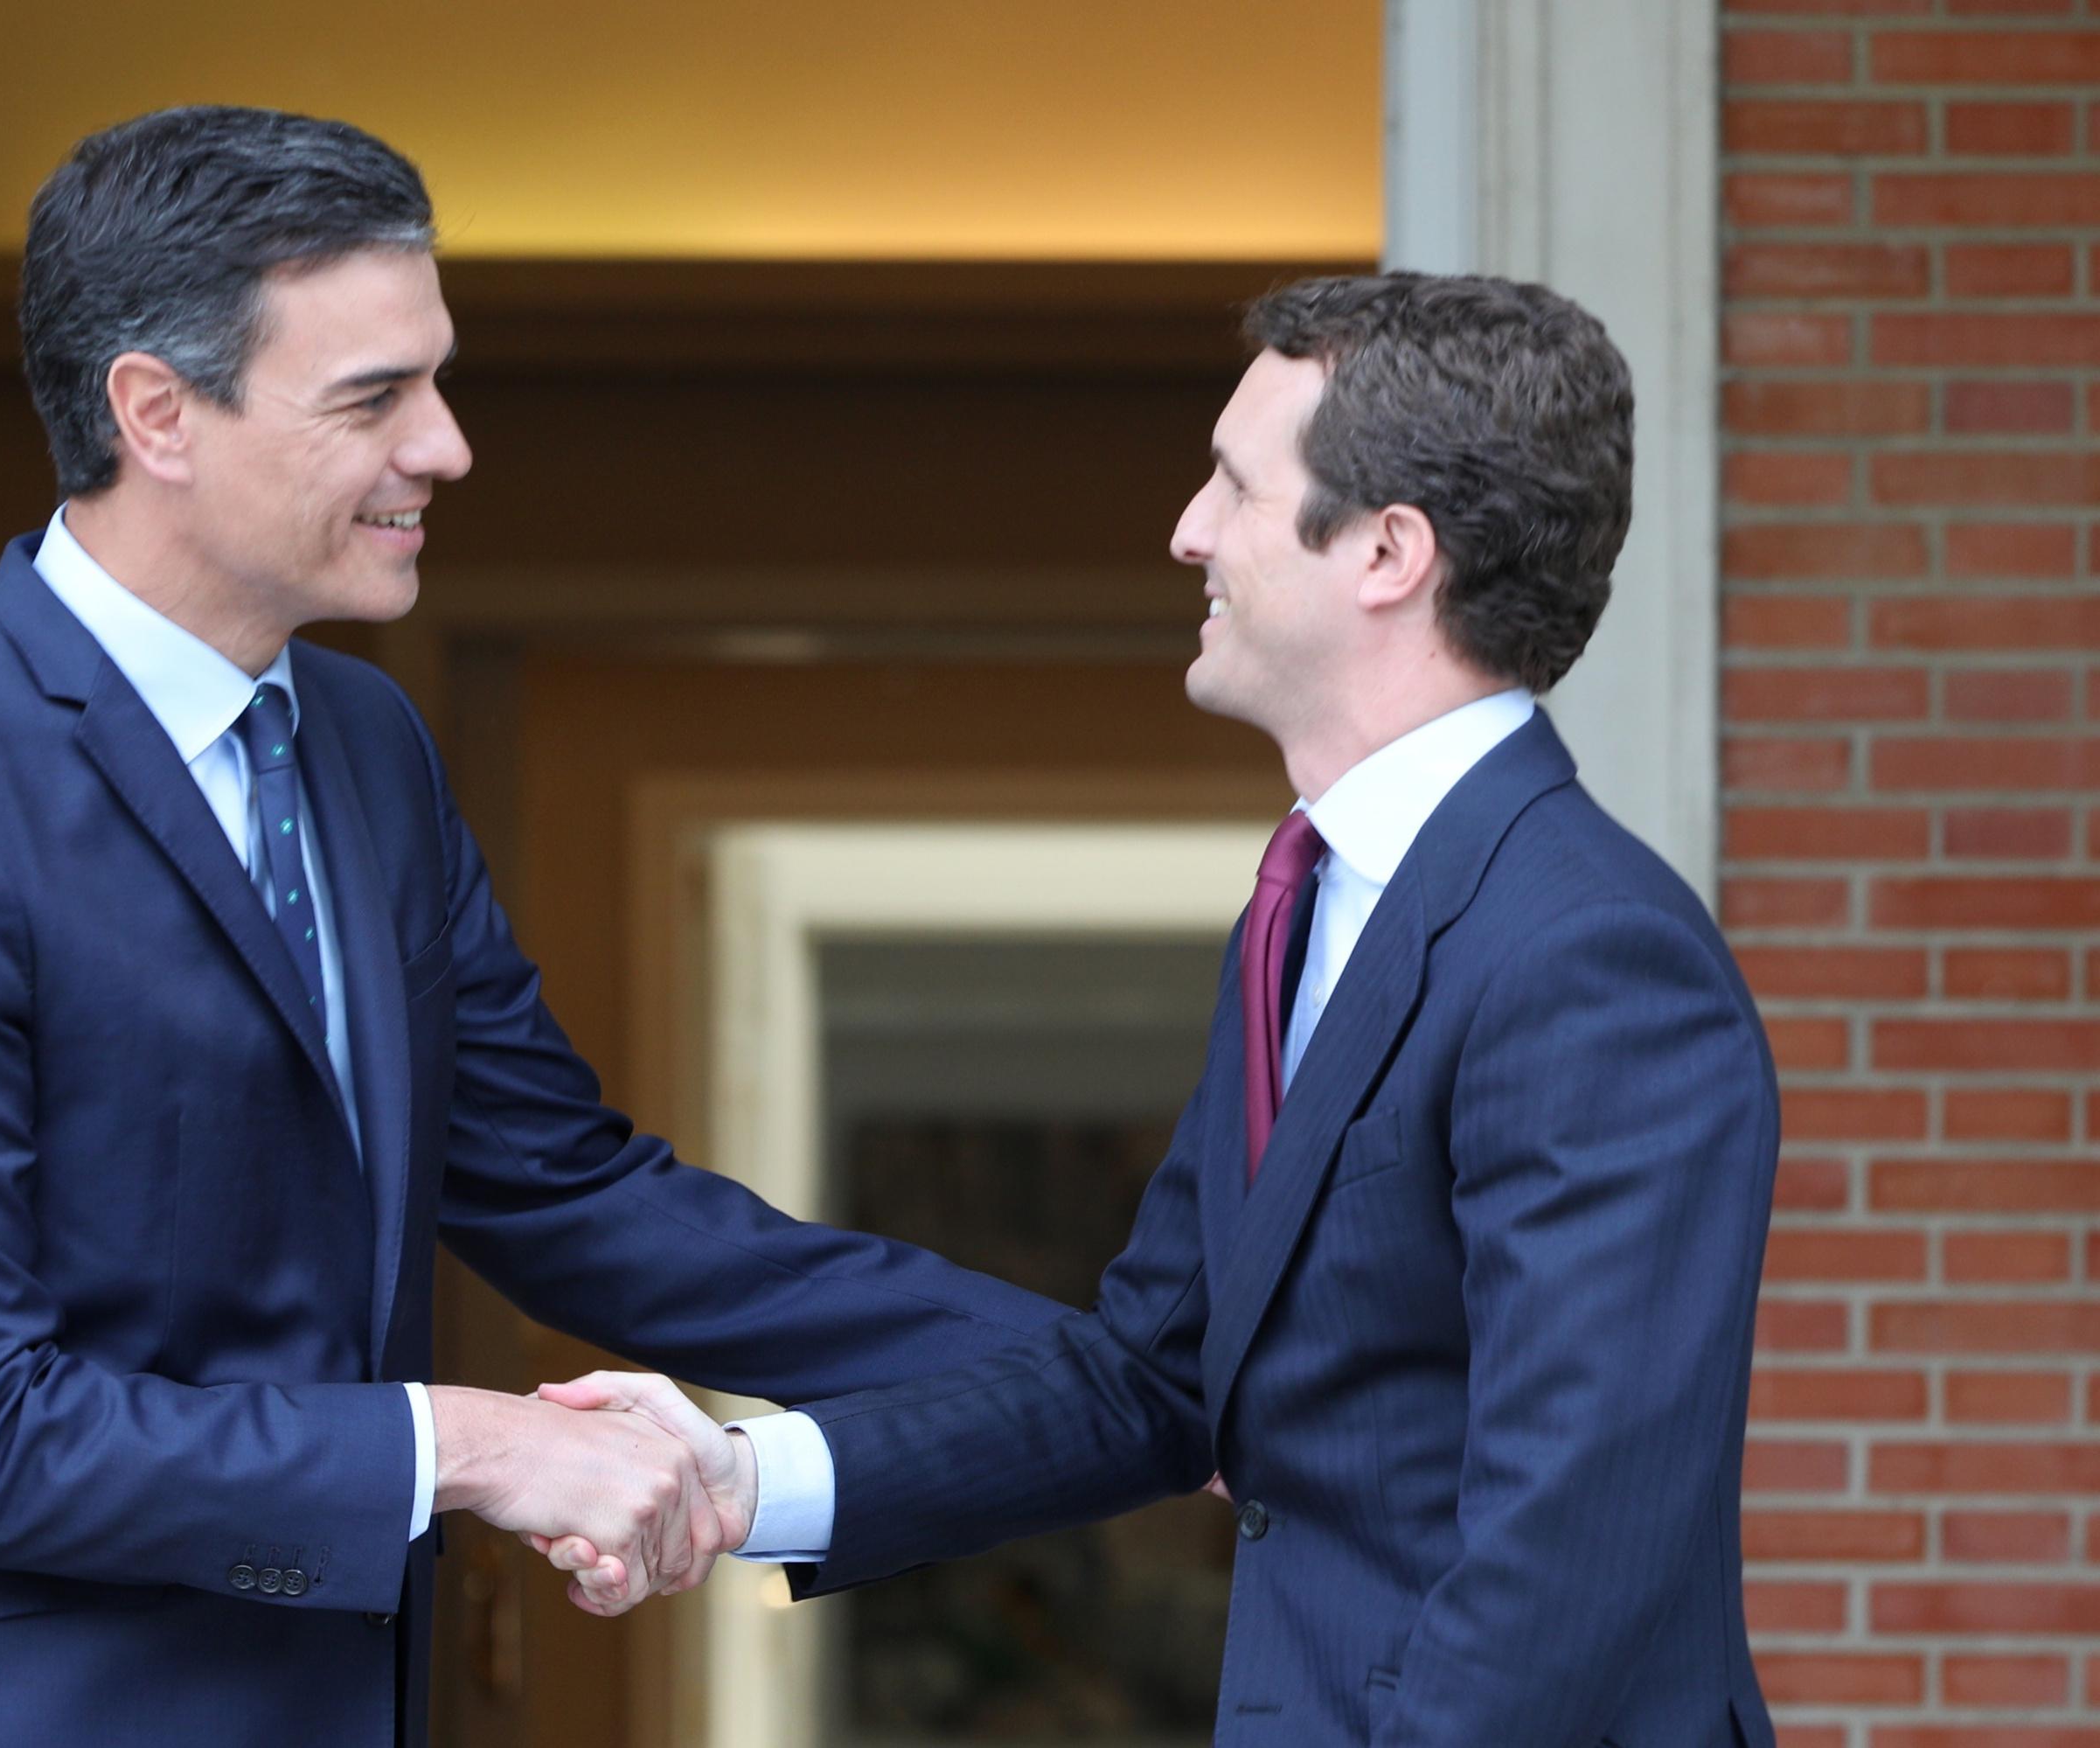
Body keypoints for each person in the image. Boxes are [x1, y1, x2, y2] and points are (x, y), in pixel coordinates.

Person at [0, 105, 1067, 1748]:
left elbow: (575, 1199)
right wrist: (474, 1445)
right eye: (375, 398)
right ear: (155, 411)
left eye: (434, 380)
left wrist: (1110, 1386)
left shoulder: (365, 750)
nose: (446, 447)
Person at [547, 274, 1783, 1747]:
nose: (1187, 530)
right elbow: (1154, 1376)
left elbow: (1571, 1558)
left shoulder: (1591, 956)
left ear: (1389, 551)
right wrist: (749, 1482)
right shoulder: (1313, 906)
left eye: (1236, 486)